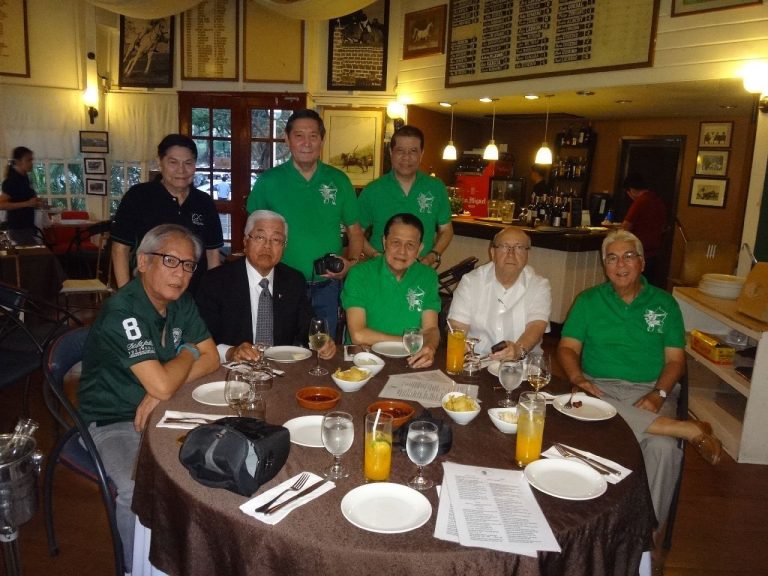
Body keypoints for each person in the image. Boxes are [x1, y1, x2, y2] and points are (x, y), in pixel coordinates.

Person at [557, 230, 721, 536]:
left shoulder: (665, 304)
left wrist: (658, 394)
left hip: (650, 389)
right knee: (589, 407)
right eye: (612, 257)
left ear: (642, 263)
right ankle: (683, 428)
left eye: (628, 256)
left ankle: (647, 540)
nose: (621, 264)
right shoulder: (588, 300)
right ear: (604, 266)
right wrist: (578, 378)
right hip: (597, 388)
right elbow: (567, 348)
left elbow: (675, 361)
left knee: (664, 450)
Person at [78, 224, 219, 572]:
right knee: (135, 490)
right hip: (113, 419)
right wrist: (186, 353)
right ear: (142, 261)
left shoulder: (179, 302)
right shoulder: (123, 311)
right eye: (170, 260)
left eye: (188, 265)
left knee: (213, 462)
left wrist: (160, 392)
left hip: (163, 409)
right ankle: (133, 567)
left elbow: (213, 358)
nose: (180, 273)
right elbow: (169, 378)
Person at [247, 109, 364, 339]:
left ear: (322, 140)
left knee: (324, 346)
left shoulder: (339, 180)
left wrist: (350, 263)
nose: (306, 143)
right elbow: (252, 232)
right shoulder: (269, 181)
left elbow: (355, 231)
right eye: (299, 135)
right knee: (280, 344)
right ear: (287, 139)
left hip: (327, 285)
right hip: (279, 284)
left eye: (313, 136)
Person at [196, 210, 336, 363]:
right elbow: (202, 336)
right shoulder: (216, 281)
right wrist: (231, 352)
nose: (267, 246)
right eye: (260, 237)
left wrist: (322, 343)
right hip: (233, 370)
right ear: (245, 241)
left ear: (284, 247)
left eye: (276, 240)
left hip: (282, 370)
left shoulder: (293, 280)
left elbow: (306, 327)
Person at [111, 134, 224, 294]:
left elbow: (212, 254)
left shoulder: (204, 202)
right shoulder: (138, 196)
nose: (181, 170)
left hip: (195, 297)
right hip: (148, 296)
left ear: (195, 165)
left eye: (188, 163)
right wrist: (126, 296)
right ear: (160, 162)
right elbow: (120, 249)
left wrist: (213, 296)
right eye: (173, 162)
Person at [342, 213, 440, 368]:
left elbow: (431, 328)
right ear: (384, 241)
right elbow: (358, 335)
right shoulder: (360, 274)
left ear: (419, 249)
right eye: (396, 242)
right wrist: (408, 342)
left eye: (410, 245)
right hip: (364, 360)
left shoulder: (427, 276)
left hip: (410, 360)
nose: (402, 251)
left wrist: (430, 347)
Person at [447, 226, 550, 360]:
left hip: (523, 364)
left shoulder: (539, 286)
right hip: (478, 360)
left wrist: (518, 350)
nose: (511, 253)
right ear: (492, 253)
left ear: (527, 255)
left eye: (519, 247)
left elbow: (536, 327)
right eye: (504, 246)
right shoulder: (470, 281)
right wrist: (460, 344)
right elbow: (457, 325)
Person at [358, 125, 453, 268]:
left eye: (413, 151)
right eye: (400, 151)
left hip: (420, 271)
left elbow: (446, 230)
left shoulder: (436, 187)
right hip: (378, 271)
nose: (406, 157)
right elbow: (356, 232)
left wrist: (432, 256)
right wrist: (376, 256)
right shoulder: (373, 190)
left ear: (421, 153)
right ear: (391, 152)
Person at [620, 172, 667, 287]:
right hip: (654, 253)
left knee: (635, 287)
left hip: (640, 253)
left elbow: (625, 227)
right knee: (647, 287)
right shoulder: (658, 201)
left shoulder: (640, 201)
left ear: (631, 190)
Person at [0, 146, 44, 245]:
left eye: (32, 160)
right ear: (18, 162)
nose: (31, 163)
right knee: (40, 259)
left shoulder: (24, 178)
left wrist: (35, 203)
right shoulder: (12, 181)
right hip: (18, 230)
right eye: (28, 160)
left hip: (26, 228)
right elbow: (1, 204)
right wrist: (27, 203)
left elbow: (22, 199)